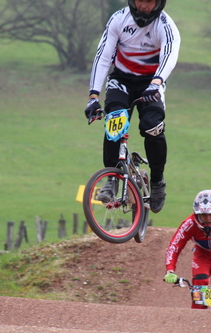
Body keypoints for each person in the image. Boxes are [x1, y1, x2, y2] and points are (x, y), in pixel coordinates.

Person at [84, 0, 181, 214]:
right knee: (115, 123)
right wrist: (93, 95)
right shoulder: (119, 19)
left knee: (151, 127)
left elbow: (169, 56)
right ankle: (111, 177)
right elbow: (103, 56)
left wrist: (156, 83)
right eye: (139, 0)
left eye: (149, 1)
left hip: (151, 82)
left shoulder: (165, 26)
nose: (143, 6)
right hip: (122, 80)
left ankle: (157, 182)